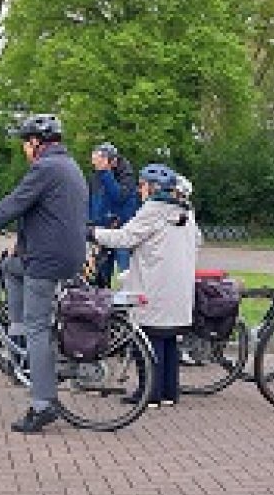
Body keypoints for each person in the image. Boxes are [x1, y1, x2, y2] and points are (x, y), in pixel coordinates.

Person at [0, 114, 87, 434]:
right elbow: (45, 215)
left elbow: (11, 207)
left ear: (36, 143)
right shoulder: (68, 166)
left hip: (47, 261)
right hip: (62, 253)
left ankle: (42, 405)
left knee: (38, 328)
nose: (25, 150)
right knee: (9, 267)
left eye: (26, 143)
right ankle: (18, 331)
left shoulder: (44, 168)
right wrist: (20, 244)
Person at [92, 164, 196, 409]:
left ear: (153, 187)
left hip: (154, 285)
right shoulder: (187, 212)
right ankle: (170, 392)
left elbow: (126, 238)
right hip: (178, 286)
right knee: (169, 338)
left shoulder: (154, 210)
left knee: (149, 338)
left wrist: (94, 233)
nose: (140, 190)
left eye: (142, 185)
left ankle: (149, 392)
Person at [87, 142, 138, 288]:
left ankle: (128, 305)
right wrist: (89, 224)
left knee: (125, 275)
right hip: (102, 232)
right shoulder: (96, 177)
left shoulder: (126, 177)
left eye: (99, 160)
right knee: (100, 275)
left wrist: (106, 173)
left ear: (112, 161)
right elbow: (92, 202)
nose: (96, 165)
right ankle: (100, 303)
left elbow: (118, 197)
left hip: (122, 232)